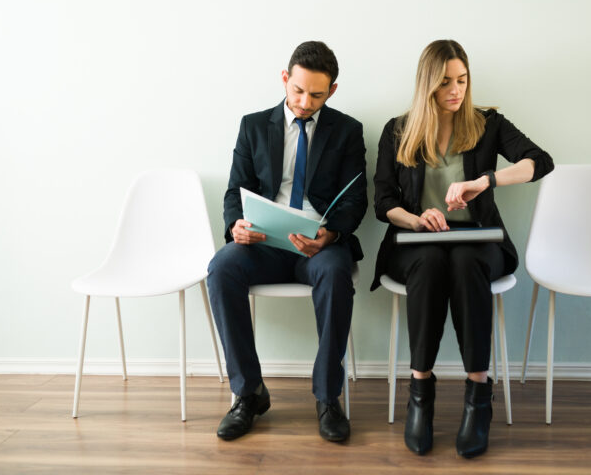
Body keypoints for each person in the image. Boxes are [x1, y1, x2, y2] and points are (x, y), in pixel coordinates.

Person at [371, 40, 553, 457]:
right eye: (445, 82)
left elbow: (539, 161)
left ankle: (478, 395)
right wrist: (416, 219)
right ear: (427, 84)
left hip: (479, 239)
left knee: (467, 260)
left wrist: (486, 180)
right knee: (431, 261)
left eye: (462, 80)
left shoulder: (487, 124)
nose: (455, 90)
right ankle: (420, 392)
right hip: (417, 239)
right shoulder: (397, 130)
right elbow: (384, 202)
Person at [207, 41, 367, 442]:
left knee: (336, 274)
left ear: (332, 90)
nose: (305, 102)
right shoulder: (253, 126)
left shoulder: (347, 131)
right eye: (298, 90)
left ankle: (327, 397)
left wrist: (331, 234)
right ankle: (248, 393)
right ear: (284, 79)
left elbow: (355, 198)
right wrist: (236, 225)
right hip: (263, 242)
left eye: (317, 95)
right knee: (221, 268)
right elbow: (235, 190)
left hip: (318, 246)